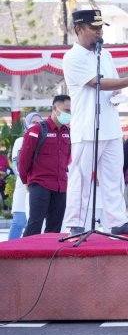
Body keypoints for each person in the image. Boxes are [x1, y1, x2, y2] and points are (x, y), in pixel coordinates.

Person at [62, 9, 128, 237]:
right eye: (94, 28)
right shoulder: (72, 57)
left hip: (110, 127)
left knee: (113, 178)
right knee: (81, 180)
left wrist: (119, 94)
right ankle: (76, 224)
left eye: (101, 27)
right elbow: (97, 82)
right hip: (87, 129)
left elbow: (112, 86)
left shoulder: (106, 55)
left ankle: (117, 221)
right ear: (79, 29)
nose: (100, 32)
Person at [19, 96, 72, 237]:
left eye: (71, 110)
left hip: (61, 186)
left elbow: (68, 159)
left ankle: (49, 258)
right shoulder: (36, 130)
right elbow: (24, 160)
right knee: (34, 225)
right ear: (55, 108)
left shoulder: (69, 132)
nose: (69, 113)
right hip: (40, 184)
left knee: (55, 229)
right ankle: (25, 255)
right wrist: (26, 181)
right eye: (66, 110)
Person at [8, 112, 42, 240]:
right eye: (33, 122)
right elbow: (17, 165)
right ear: (27, 123)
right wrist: (28, 179)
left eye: (39, 122)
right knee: (19, 222)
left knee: (32, 223)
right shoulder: (20, 141)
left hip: (38, 187)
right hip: (24, 186)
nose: (36, 125)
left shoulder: (44, 141)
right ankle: (8, 253)